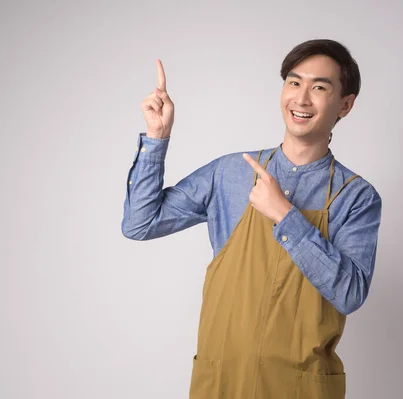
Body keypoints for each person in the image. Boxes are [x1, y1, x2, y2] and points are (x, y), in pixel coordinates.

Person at [122, 39, 382, 399]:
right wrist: (157, 137)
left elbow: (350, 294)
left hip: (298, 389)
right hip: (222, 382)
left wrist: (285, 215)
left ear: (345, 104)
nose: (302, 98)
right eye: (294, 82)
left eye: (319, 87)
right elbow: (140, 223)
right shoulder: (230, 173)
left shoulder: (355, 197)